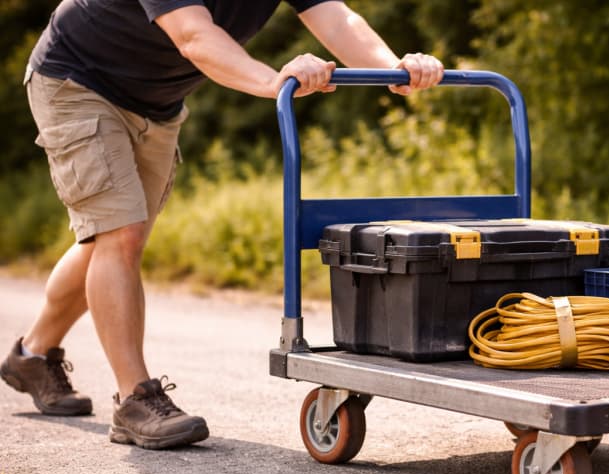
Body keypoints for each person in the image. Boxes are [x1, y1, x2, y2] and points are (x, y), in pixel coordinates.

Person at [0, 0, 443, 450]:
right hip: (77, 79)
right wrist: (273, 82)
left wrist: (395, 70)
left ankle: (32, 355)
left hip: (155, 102)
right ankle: (134, 400)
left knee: (110, 239)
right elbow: (194, 36)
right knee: (120, 234)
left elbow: (337, 17)